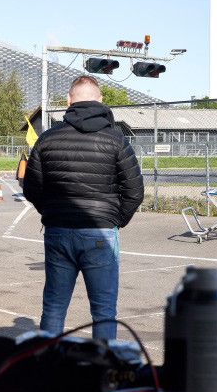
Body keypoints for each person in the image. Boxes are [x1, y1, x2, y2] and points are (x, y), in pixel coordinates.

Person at [22, 75, 144, 339]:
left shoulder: (47, 139)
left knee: (54, 307)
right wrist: (114, 220)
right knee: (104, 311)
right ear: (100, 100)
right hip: (100, 233)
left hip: (58, 232)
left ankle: (49, 361)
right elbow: (134, 192)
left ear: (69, 100)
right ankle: (102, 364)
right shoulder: (116, 140)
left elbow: (31, 188)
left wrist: (52, 212)